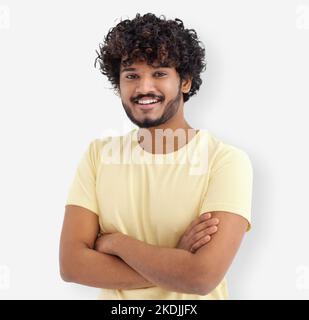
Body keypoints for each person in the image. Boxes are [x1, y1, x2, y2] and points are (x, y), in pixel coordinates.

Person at [59, 13, 253, 300]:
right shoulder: (98, 156)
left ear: (185, 82)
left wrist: (116, 243)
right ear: (119, 84)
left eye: (159, 73)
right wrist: (177, 262)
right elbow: (72, 265)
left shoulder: (225, 162)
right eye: (132, 75)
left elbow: (201, 277)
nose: (144, 88)